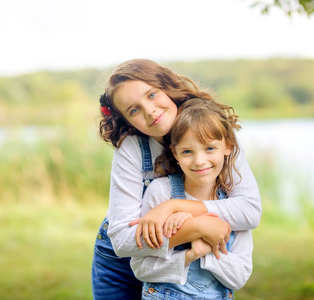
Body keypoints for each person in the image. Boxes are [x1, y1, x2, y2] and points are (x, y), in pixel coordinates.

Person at [91, 59, 261, 299]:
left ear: (167, 87)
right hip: (121, 263)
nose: (149, 110)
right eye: (134, 110)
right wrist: (196, 228)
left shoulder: (212, 129)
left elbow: (250, 210)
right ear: (128, 121)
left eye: (151, 94)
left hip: (186, 256)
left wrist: (174, 206)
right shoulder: (132, 148)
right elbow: (122, 241)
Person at [130, 98, 253, 299]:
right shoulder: (161, 191)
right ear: (175, 153)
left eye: (210, 148)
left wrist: (207, 251)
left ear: (228, 147)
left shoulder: (235, 204)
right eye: (187, 151)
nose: (199, 161)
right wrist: (191, 253)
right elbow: (140, 268)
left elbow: (239, 277)